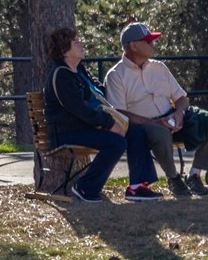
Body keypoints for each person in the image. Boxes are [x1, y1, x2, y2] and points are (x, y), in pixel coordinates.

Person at [104, 22, 208, 197]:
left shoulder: (159, 67)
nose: (153, 45)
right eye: (148, 41)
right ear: (133, 46)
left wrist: (179, 113)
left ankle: (194, 174)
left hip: (172, 117)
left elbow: (181, 98)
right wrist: (154, 122)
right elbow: (120, 112)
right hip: (145, 125)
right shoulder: (116, 75)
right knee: (159, 132)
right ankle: (174, 178)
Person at [43, 27, 162, 202]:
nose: (81, 44)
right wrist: (109, 124)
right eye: (76, 42)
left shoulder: (80, 70)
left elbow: (101, 94)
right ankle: (85, 188)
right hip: (66, 132)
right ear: (64, 50)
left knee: (135, 131)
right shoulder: (61, 75)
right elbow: (80, 109)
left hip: (86, 127)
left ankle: (137, 187)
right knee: (115, 142)